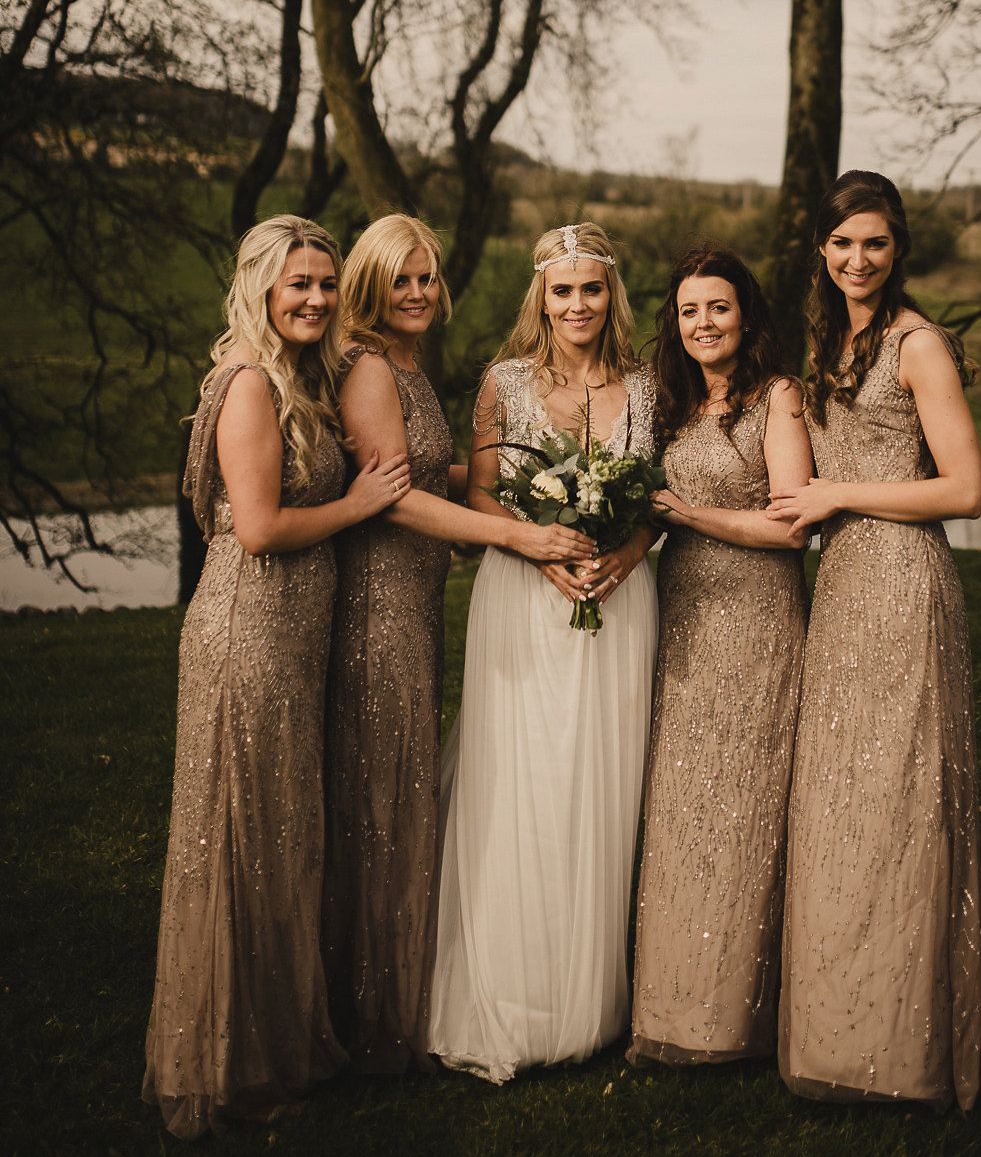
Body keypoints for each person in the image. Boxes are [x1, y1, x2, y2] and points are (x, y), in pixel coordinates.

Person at [143, 217, 408, 1140]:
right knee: (240, 839)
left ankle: (277, 1041)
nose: (317, 299)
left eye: (328, 285)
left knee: (279, 837)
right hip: (248, 629)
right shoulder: (251, 383)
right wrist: (359, 503)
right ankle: (227, 1065)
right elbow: (256, 529)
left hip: (295, 637)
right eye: (299, 283)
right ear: (260, 286)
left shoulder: (304, 381)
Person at [323, 213, 595, 1073]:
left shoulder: (409, 368)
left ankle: (392, 990)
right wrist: (520, 537)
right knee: (380, 796)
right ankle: (372, 1012)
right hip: (377, 602)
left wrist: (526, 484)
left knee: (400, 787)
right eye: (400, 279)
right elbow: (395, 499)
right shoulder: (369, 366)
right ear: (369, 286)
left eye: (427, 278)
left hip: (413, 598)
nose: (417, 293)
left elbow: (425, 469)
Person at [768, 171, 981, 1111]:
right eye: (841, 245)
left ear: (896, 246)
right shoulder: (831, 342)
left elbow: (964, 490)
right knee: (844, 806)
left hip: (905, 584)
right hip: (843, 593)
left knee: (902, 800)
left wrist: (838, 495)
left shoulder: (918, 345)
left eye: (873, 242)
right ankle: (841, 1034)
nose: (856, 259)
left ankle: (908, 1048)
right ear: (821, 254)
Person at [428, 222, 659, 1083]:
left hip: (620, 602)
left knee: (600, 780)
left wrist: (622, 558)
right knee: (521, 777)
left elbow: (650, 507)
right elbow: (484, 494)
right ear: (541, 297)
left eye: (591, 289)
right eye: (561, 291)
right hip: (525, 598)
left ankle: (590, 1003)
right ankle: (515, 997)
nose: (576, 305)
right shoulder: (504, 384)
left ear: (611, 295)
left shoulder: (645, 387)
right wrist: (544, 550)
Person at [630, 243, 813, 1065]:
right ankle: (671, 1002)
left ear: (747, 314)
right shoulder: (669, 404)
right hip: (683, 611)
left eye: (719, 307)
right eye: (689, 310)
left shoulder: (777, 397)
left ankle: (737, 1013)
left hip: (756, 611)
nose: (703, 323)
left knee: (744, 800)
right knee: (682, 802)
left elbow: (792, 525)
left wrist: (687, 514)